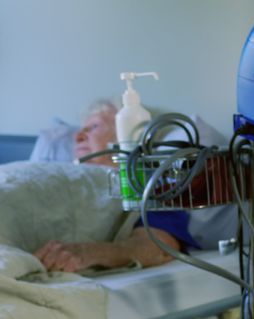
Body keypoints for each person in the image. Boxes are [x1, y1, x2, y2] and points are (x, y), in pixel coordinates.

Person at [34, 100, 200, 272]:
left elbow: (158, 245)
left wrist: (87, 253)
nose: (78, 137)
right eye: (80, 130)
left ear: (129, 136)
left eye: (94, 127)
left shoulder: (147, 183)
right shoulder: (55, 174)